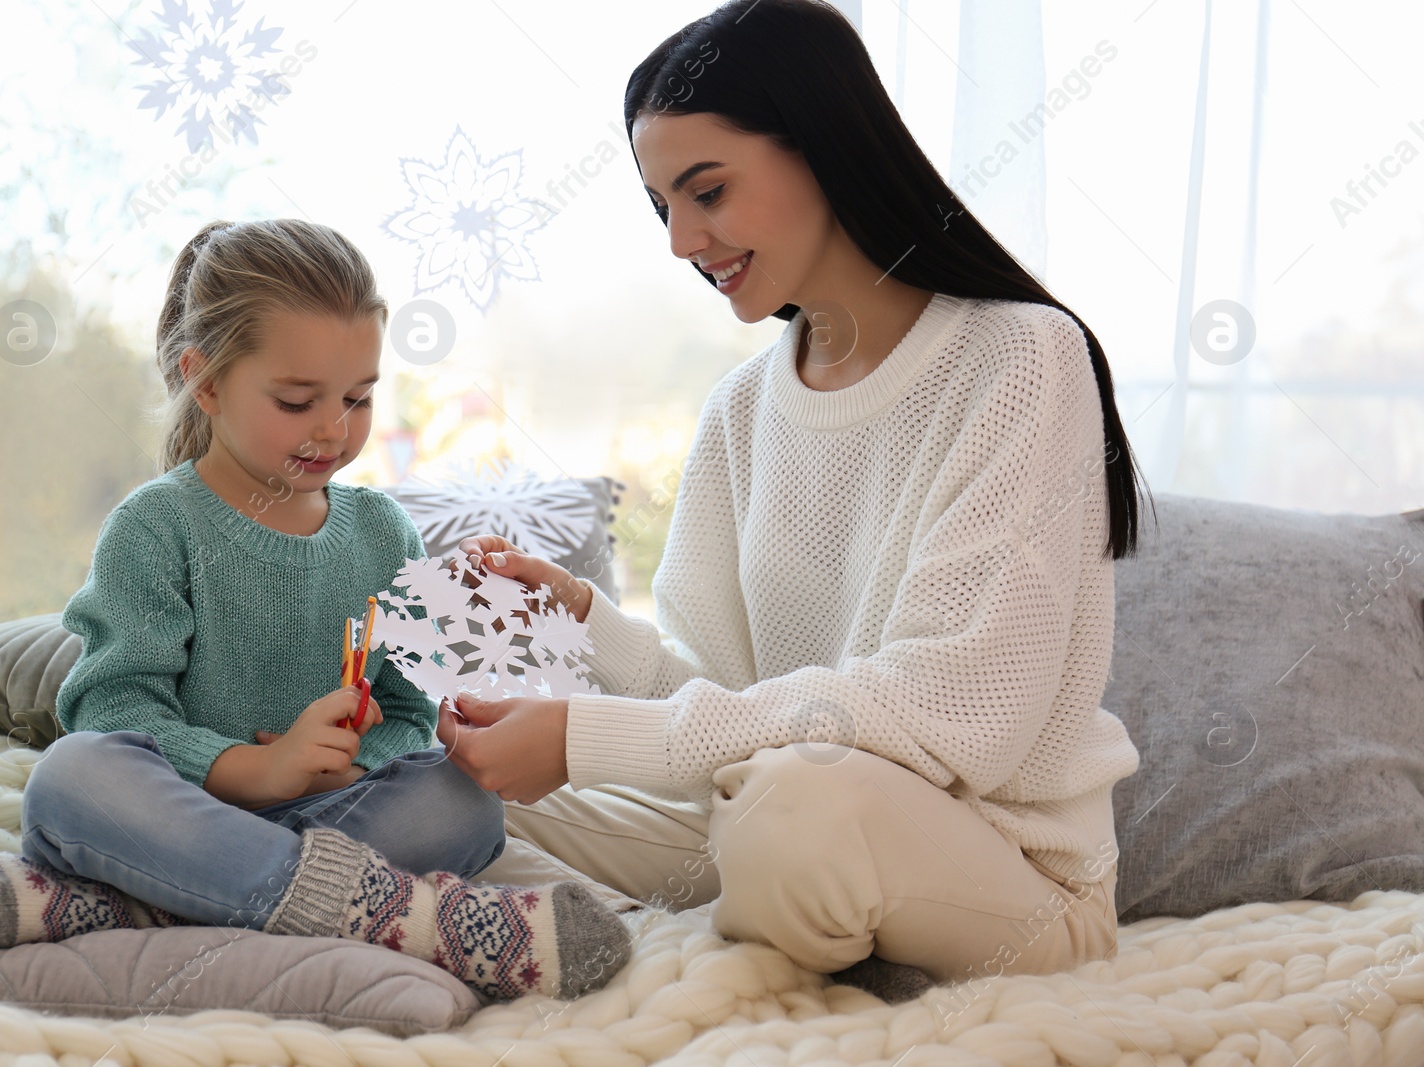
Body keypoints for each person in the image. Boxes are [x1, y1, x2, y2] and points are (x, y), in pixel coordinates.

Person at [434, 0, 1152, 1005]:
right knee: (441, 794)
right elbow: (727, 698)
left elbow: (957, 712)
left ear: (822, 146)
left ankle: (709, 926)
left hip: (1004, 870)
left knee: (793, 810)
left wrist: (586, 736)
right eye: (663, 206)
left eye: (708, 190)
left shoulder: (1020, 356)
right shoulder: (740, 408)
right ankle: (606, 929)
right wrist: (588, 625)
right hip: (776, 806)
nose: (684, 239)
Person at [0, 218, 632, 1003]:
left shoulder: (382, 530)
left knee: (462, 798)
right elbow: (109, 706)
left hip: (332, 812)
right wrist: (256, 768)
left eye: (358, 398)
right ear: (208, 381)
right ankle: (421, 919)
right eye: (298, 401)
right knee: (71, 777)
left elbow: (403, 710)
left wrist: (361, 759)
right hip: (183, 808)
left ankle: (133, 901)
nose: (334, 428)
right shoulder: (157, 526)